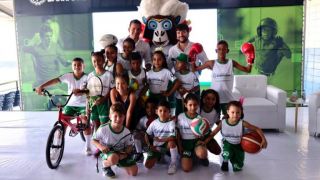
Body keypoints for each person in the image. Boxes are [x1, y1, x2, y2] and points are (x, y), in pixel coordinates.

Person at [35, 57, 92, 155]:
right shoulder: (68, 76)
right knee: (62, 124)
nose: (77, 67)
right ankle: (57, 147)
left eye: (79, 65)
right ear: (72, 66)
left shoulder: (88, 77)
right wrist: (42, 86)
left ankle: (88, 147)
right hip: (70, 104)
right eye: (74, 65)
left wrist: (81, 91)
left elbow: (90, 91)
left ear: (83, 66)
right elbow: (55, 80)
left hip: (83, 105)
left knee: (85, 122)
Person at [192, 40, 252, 115]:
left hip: (227, 99)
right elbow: (194, 69)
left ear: (227, 51)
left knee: (227, 121)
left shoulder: (231, 63)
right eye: (219, 49)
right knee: (213, 119)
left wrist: (250, 58)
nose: (221, 51)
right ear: (216, 51)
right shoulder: (211, 63)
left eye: (224, 49)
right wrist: (192, 57)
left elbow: (247, 70)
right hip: (214, 99)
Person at [206, 101, 268, 172]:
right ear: (228, 112)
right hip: (227, 143)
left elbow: (257, 129)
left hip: (239, 144)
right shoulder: (222, 123)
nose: (235, 115)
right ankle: (225, 161)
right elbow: (213, 133)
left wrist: (264, 139)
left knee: (238, 168)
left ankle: (236, 162)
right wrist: (205, 142)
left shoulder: (243, 123)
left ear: (241, 112)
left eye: (238, 112)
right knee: (227, 153)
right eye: (232, 112)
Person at [92, 103, 138, 178]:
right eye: (115, 116)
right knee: (114, 158)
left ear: (124, 117)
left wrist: (126, 153)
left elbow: (129, 146)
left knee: (134, 172)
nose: (118, 119)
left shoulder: (126, 131)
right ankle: (105, 165)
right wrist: (101, 147)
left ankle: (118, 162)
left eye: (120, 116)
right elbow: (93, 140)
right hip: (108, 153)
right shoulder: (103, 129)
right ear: (110, 116)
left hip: (121, 154)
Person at [176, 93, 212, 172]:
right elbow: (177, 133)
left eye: (195, 105)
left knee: (202, 154)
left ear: (198, 105)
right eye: (190, 105)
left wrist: (203, 141)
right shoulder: (180, 117)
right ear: (185, 105)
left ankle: (202, 156)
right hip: (185, 144)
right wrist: (179, 146)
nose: (193, 107)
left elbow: (205, 134)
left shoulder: (200, 118)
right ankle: (191, 155)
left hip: (196, 142)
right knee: (186, 168)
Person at [144, 100, 178, 175]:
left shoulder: (171, 123)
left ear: (169, 112)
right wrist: (149, 145)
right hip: (156, 146)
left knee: (172, 143)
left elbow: (173, 137)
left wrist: (161, 139)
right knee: (148, 166)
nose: (163, 113)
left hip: (166, 144)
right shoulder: (154, 123)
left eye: (165, 111)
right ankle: (161, 153)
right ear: (156, 111)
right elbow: (146, 134)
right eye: (160, 110)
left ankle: (173, 164)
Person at [88, 51, 115, 131]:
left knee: (104, 125)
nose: (97, 63)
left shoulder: (109, 75)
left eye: (99, 60)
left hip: (104, 103)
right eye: (94, 61)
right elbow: (88, 91)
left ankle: (104, 142)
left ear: (103, 61)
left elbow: (112, 89)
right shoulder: (90, 75)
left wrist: (104, 99)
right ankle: (96, 141)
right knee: (96, 125)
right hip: (93, 103)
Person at [133, 97, 158, 163]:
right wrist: (142, 132)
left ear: (156, 108)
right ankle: (139, 153)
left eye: (153, 107)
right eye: (147, 107)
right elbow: (137, 130)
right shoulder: (143, 119)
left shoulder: (159, 119)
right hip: (146, 142)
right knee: (135, 135)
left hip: (156, 141)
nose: (150, 109)